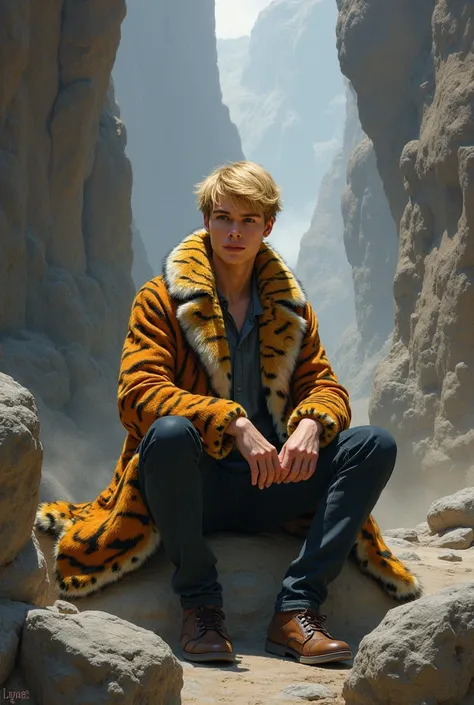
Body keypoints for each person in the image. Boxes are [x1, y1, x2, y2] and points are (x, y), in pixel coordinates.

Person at [35, 160, 420, 666]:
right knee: (169, 434)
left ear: (268, 226)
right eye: (223, 217)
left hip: (277, 481)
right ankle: (200, 606)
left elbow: (325, 385)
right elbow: (138, 393)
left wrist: (310, 422)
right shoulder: (160, 300)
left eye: (248, 220)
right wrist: (231, 421)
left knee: (374, 445)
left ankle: (298, 608)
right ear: (206, 221)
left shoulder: (293, 308)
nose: (234, 232)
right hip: (195, 488)